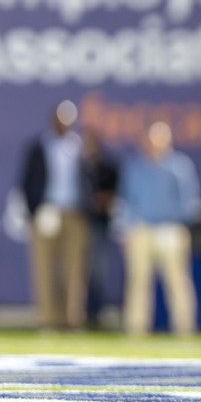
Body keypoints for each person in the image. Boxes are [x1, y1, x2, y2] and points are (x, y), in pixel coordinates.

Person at [118, 121, 201, 337]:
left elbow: (190, 203)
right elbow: (126, 201)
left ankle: (185, 329)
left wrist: (176, 224)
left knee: (177, 282)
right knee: (138, 282)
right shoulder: (135, 167)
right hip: (142, 229)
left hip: (171, 231)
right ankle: (135, 330)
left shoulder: (179, 166)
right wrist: (126, 229)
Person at [18, 100, 91, 332]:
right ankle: (49, 320)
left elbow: (88, 182)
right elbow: (26, 182)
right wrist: (36, 211)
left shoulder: (79, 147)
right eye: (60, 118)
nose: (63, 123)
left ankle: (72, 319)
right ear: (52, 120)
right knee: (44, 269)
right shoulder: (38, 147)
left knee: (74, 270)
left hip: (74, 214)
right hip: (46, 214)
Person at [80, 128, 118, 329]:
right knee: (78, 272)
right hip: (80, 224)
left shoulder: (108, 169)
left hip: (100, 225)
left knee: (99, 272)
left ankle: (94, 314)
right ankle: (79, 314)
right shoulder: (78, 168)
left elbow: (112, 199)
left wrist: (100, 202)